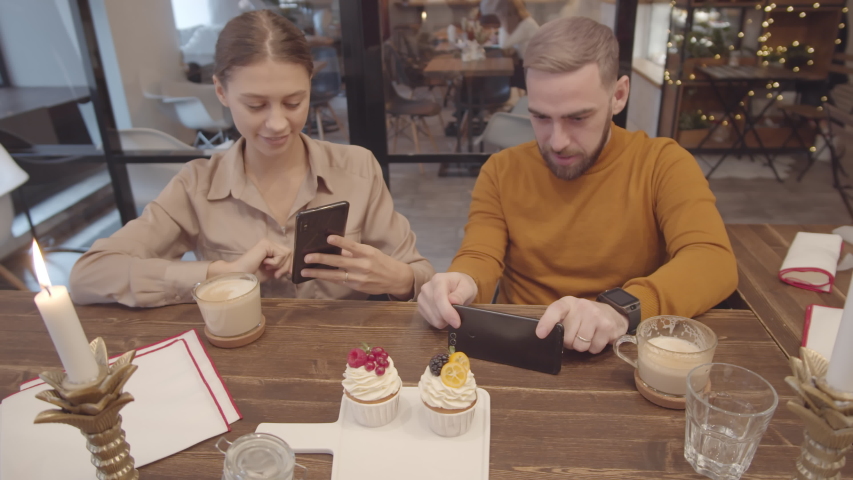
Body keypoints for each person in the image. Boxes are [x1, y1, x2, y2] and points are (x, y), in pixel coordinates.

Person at [417, 16, 737, 355]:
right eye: (540, 117)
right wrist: (460, 282)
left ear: (619, 95)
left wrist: (618, 309)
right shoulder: (502, 169)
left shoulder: (662, 164)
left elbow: (712, 260)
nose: (556, 142)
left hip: (620, 350)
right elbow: (480, 255)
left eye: (578, 118)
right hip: (520, 346)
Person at [69, 10, 434, 307]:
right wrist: (218, 275)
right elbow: (89, 275)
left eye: (294, 102)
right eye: (255, 105)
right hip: (234, 366)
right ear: (221, 91)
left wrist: (398, 279)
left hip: (347, 370)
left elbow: (419, 275)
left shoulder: (357, 168)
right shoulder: (196, 185)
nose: (277, 124)